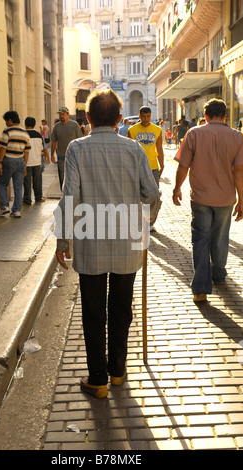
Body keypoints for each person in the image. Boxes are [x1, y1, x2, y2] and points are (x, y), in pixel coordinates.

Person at [55, 89, 161, 398]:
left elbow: (70, 197)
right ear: (119, 119)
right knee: (121, 309)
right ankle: (118, 371)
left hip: (90, 243)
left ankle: (98, 379)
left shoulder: (76, 148)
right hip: (127, 241)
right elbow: (152, 193)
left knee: (93, 311)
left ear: (87, 118)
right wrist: (144, 219)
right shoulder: (133, 149)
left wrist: (63, 239)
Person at [172, 98, 243, 302]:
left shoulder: (194, 133)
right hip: (226, 198)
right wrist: (242, 200)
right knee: (221, 236)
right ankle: (219, 276)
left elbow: (183, 166)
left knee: (200, 240)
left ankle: (201, 289)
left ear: (205, 116)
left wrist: (177, 188)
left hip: (201, 197)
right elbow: (240, 170)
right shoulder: (237, 137)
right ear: (225, 116)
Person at [127, 106, 164, 231]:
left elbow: (159, 149)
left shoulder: (157, 130)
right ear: (139, 116)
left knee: (154, 195)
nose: (146, 119)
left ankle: (151, 222)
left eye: (148, 116)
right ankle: (139, 221)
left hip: (153, 167)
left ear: (151, 116)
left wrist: (162, 165)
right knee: (137, 195)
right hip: (137, 167)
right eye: (143, 116)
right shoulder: (132, 130)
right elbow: (129, 151)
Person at [0, 111, 31, 218]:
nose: (6, 123)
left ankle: (4, 207)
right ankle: (16, 210)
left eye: (7, 120)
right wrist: (24, 165)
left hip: (8, 160)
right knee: (18, 187)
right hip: (20, 161)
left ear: (11, 120)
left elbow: (3, 148)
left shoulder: (7, 131)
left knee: (2, 184)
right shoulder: (25, 133)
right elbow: (27, 151)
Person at [51, 106, 82, 190]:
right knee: (62, 176)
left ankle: (73, 194)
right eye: (60, 115)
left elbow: (79, 140)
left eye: (63, 114)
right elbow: (53, 141)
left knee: (73, 176)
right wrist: (52, 155)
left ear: (68, 115)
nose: (61, 116)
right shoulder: (56, 127)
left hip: (73, 156)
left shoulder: (74, 125)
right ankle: (64, 194)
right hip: (61, 156)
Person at [23, 117, 49, 205]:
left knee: (27, 181)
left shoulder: (24, 134)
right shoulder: (38, 135)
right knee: (37, 181)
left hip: (26, 162)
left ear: (25, 124)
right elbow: (43, 148)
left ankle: (27, 200)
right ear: (34, 125)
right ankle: (38, 197)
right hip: (37, 161)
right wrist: (46, 157)